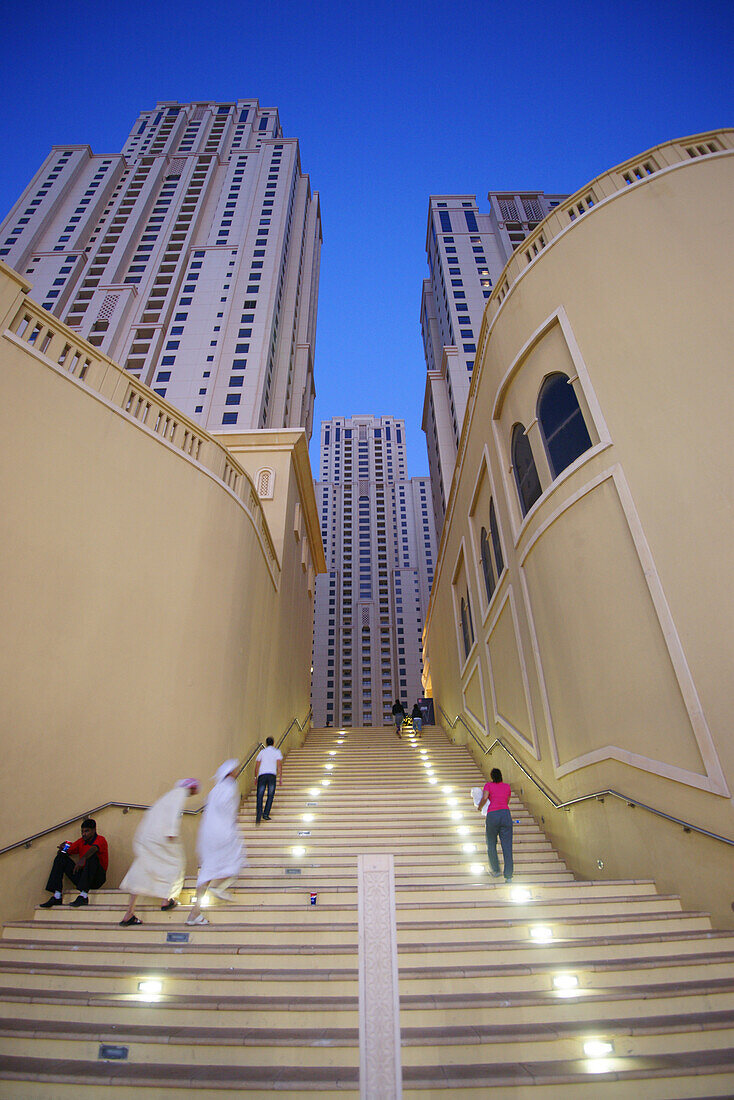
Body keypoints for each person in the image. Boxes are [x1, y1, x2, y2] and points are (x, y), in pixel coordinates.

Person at [118, 778, 199, 927]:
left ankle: (128, 913)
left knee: (142, 869)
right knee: (176, 863)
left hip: (147, 838)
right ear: (191, 788)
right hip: (160, 838)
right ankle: (166, 900)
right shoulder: (179, 794)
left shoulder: (167, 796)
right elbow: (173, 814)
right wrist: (171, 832)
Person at [187, 759, 247, 925]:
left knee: (207, 871)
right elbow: (226, 809)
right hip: (223, 833)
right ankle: (218, 886)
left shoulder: (215, 789)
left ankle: (194, 913)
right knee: (235, 860)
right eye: (235, 770)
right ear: (229, 773)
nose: (237, 772)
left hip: (207, 835)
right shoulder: (229, 786)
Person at [40, 818, 109, 908]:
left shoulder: (101, 839)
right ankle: (57, 896)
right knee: (61, 857)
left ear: (94, 830)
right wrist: (62, 849)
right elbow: (67, 852)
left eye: (86, 831)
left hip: (97, 878)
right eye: (82, 832)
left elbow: (94, 849)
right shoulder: (81, 841)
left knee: (92, 857)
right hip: (83, 877)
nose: (84, 834)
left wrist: (83, 858)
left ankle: (83, 896)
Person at [478, 768, 514, 882]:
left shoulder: (488, 785)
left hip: (493, 815)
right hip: (505, 814)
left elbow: (484, 797)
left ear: (492, 776)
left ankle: (496, 870)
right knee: (507, 846)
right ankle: (508, 876)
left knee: (491, 843)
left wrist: (479, 807)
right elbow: (507, 800)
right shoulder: (507, 786)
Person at [254, 736, 283, 824]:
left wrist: (255, 777)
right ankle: (266, 814)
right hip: (272, 775)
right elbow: (279, 765)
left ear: (266, 743)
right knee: (270, 795)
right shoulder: (277, 752)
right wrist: (280, 777)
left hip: (262, 775)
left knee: (259, 795)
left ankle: (259, 814)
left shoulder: (262, 752)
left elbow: (257, 765)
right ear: (273, 743)